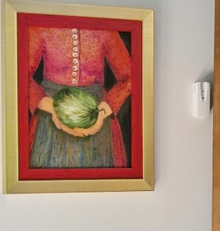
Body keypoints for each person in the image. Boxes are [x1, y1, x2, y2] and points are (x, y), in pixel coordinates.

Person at [20, 20, 137, 171]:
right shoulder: (41, 27)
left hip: (96, 113)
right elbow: (19, 75)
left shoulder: (106, 31)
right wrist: (54, 110)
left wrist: (101, 112)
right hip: (51, 112)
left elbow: (131, 76)